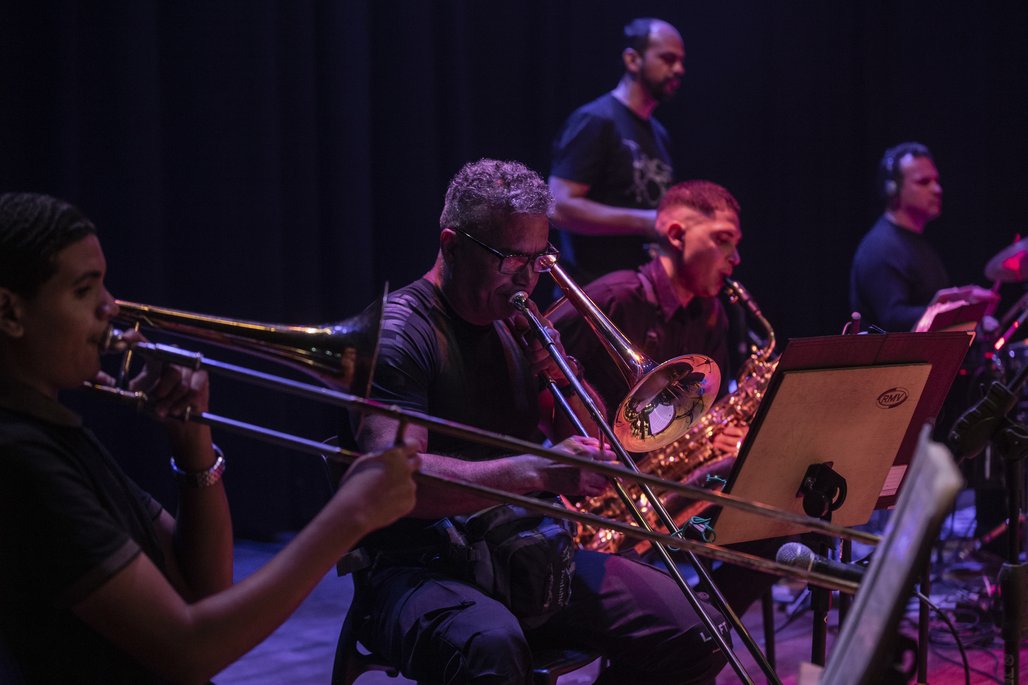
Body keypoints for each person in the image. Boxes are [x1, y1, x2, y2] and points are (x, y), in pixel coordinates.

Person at [0, 192, 419, 684]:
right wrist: (352, 515)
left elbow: (204, 590)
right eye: (84, 290)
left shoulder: (57, 434)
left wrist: (191, 440)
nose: (111, 307)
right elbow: (187, 649)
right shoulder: (20, 456)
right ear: (10, 313)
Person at [349, 159, 729, 684]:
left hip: (522, 554)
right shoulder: (401, 332)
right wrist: (538, 472)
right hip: (419, 566)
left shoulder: (514, 323)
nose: (528, 278)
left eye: (540, 258)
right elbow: (395, 482)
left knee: (701, 628)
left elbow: (605, 448)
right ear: (452, 245)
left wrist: (561, 378)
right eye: (511, 259)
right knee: (493, 647)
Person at [550, 180, 780, 615]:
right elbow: (535, 369)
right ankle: (684, 640)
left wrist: (727, 436)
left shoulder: (711, 315)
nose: (735, 260)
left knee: (778, 529)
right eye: (722, 240)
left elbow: (704, 411)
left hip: (665, 495)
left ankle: (706, 635)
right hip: (597, 499)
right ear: (676, 236)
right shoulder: (613, 297)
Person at [549, 17, 685, 285]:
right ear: (633, 60)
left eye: (681, 61)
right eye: (668, 59)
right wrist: (647, 222)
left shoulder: (659, 134)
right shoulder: (596, 120)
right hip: (594, 296)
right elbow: (557, 206)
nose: (679, 69)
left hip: (639, 293)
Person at [849, 142, 948, 332]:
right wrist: (954, 312)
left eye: (937, 180)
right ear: (893, 190)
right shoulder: (880, 247)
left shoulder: (917, 242)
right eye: (924, 182)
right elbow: (892, 318)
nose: (937, 189)